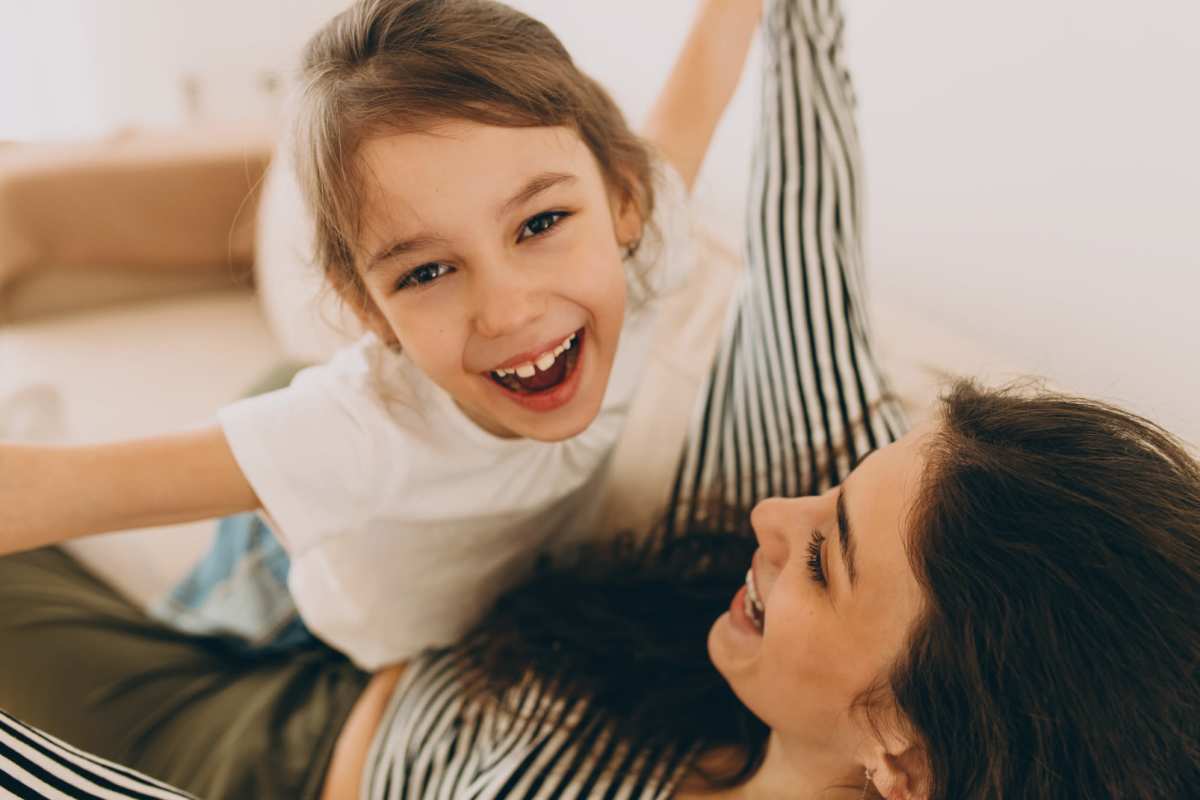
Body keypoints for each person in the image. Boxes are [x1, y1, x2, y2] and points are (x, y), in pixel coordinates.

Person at [4, 0, 1195, 799]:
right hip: (397, 597)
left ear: (902, 748)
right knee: (305, 417)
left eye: (823, 554)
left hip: (297, 753)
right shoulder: (439, 384)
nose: (773, 508)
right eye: (832, 493)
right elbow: (803, 195)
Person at [0, 0, 755, 670]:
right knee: (190, 637)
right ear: (366, 310)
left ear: (626, 198)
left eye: (539, 224)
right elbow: (62, 490)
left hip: (348, 466)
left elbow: (709, 61)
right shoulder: (356, 435)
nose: (509, 312)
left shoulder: (643, 243)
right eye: (427, 273)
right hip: (290, 591)